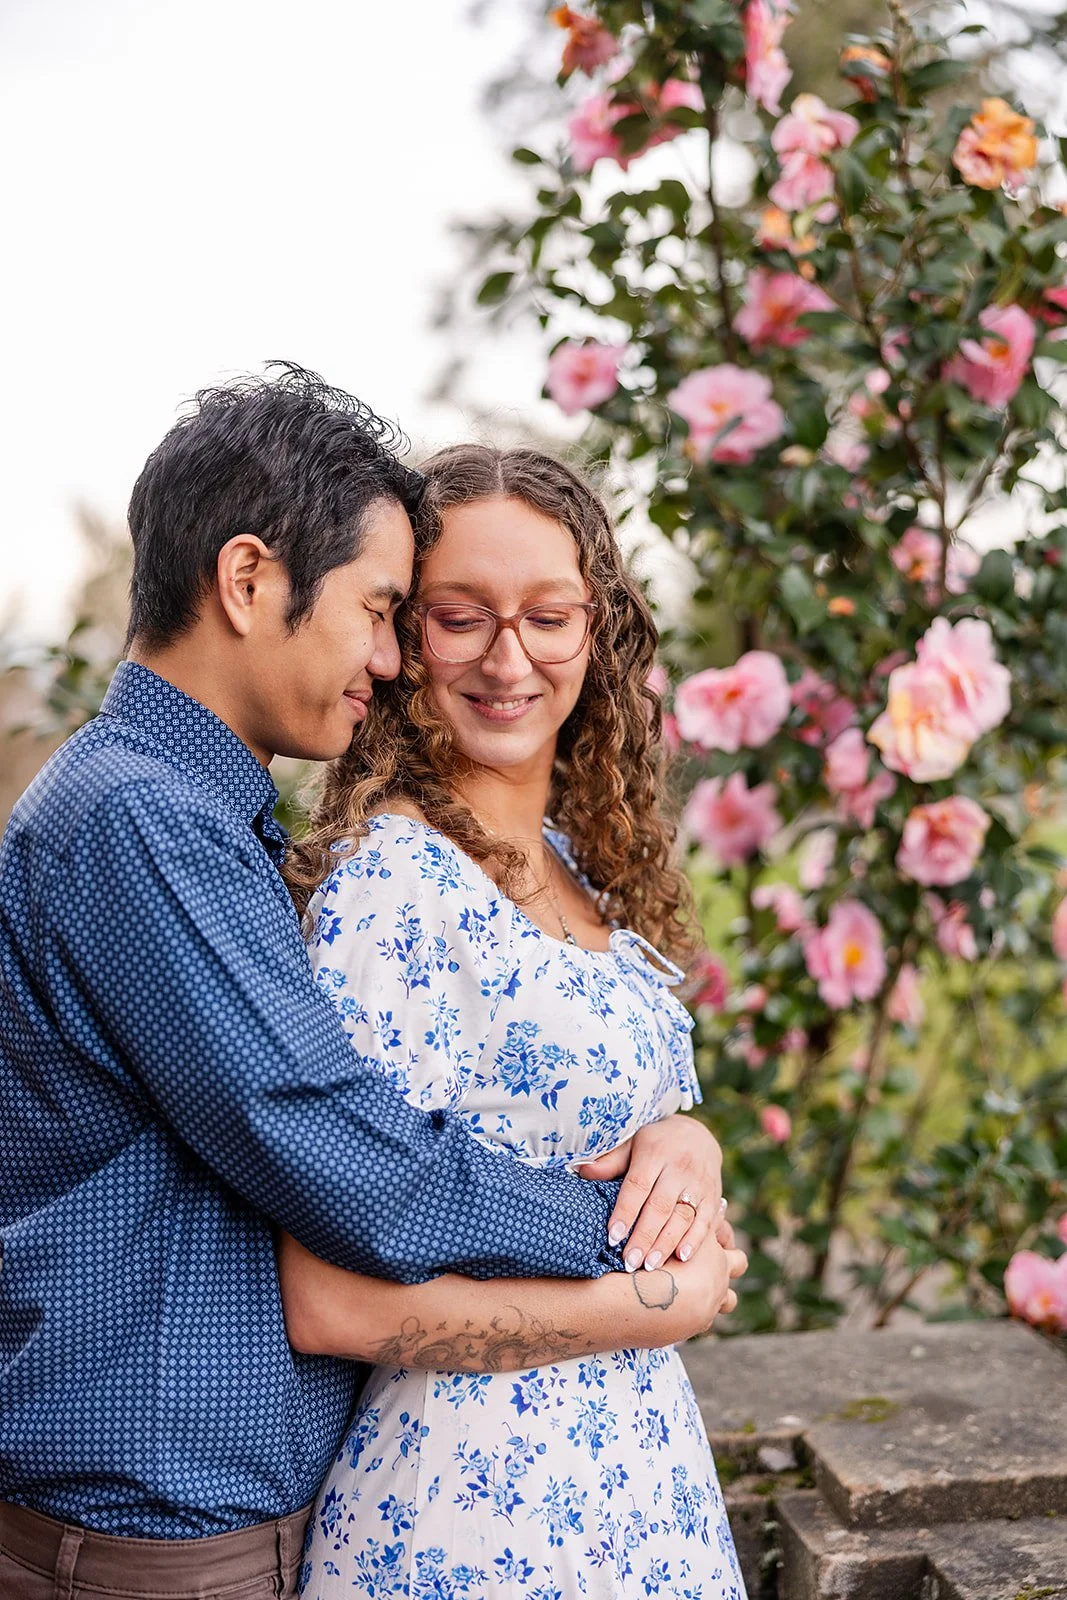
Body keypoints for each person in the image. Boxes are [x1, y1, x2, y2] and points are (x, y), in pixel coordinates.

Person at [0, 369, 736, 1600]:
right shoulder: (148, 826)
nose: (391, 657)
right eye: (397, 610)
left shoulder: (198, 818)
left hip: (236, 1522)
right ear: (248, 582)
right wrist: (644, 1262)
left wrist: (680, 1146)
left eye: (549, 614)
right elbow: (351, 1168)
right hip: (171, 1537)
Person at [282, 444, 749, 1599]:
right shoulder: (393, 888)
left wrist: (684, 1136)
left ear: (596, 629)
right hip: (469, 1522)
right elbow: (327, 1298)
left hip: (642, 1500)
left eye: (547, 616)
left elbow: (592, 1108)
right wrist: (643, 1307)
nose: (508, 658)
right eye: (460, 618)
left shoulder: (573, 859)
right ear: (402, 639)